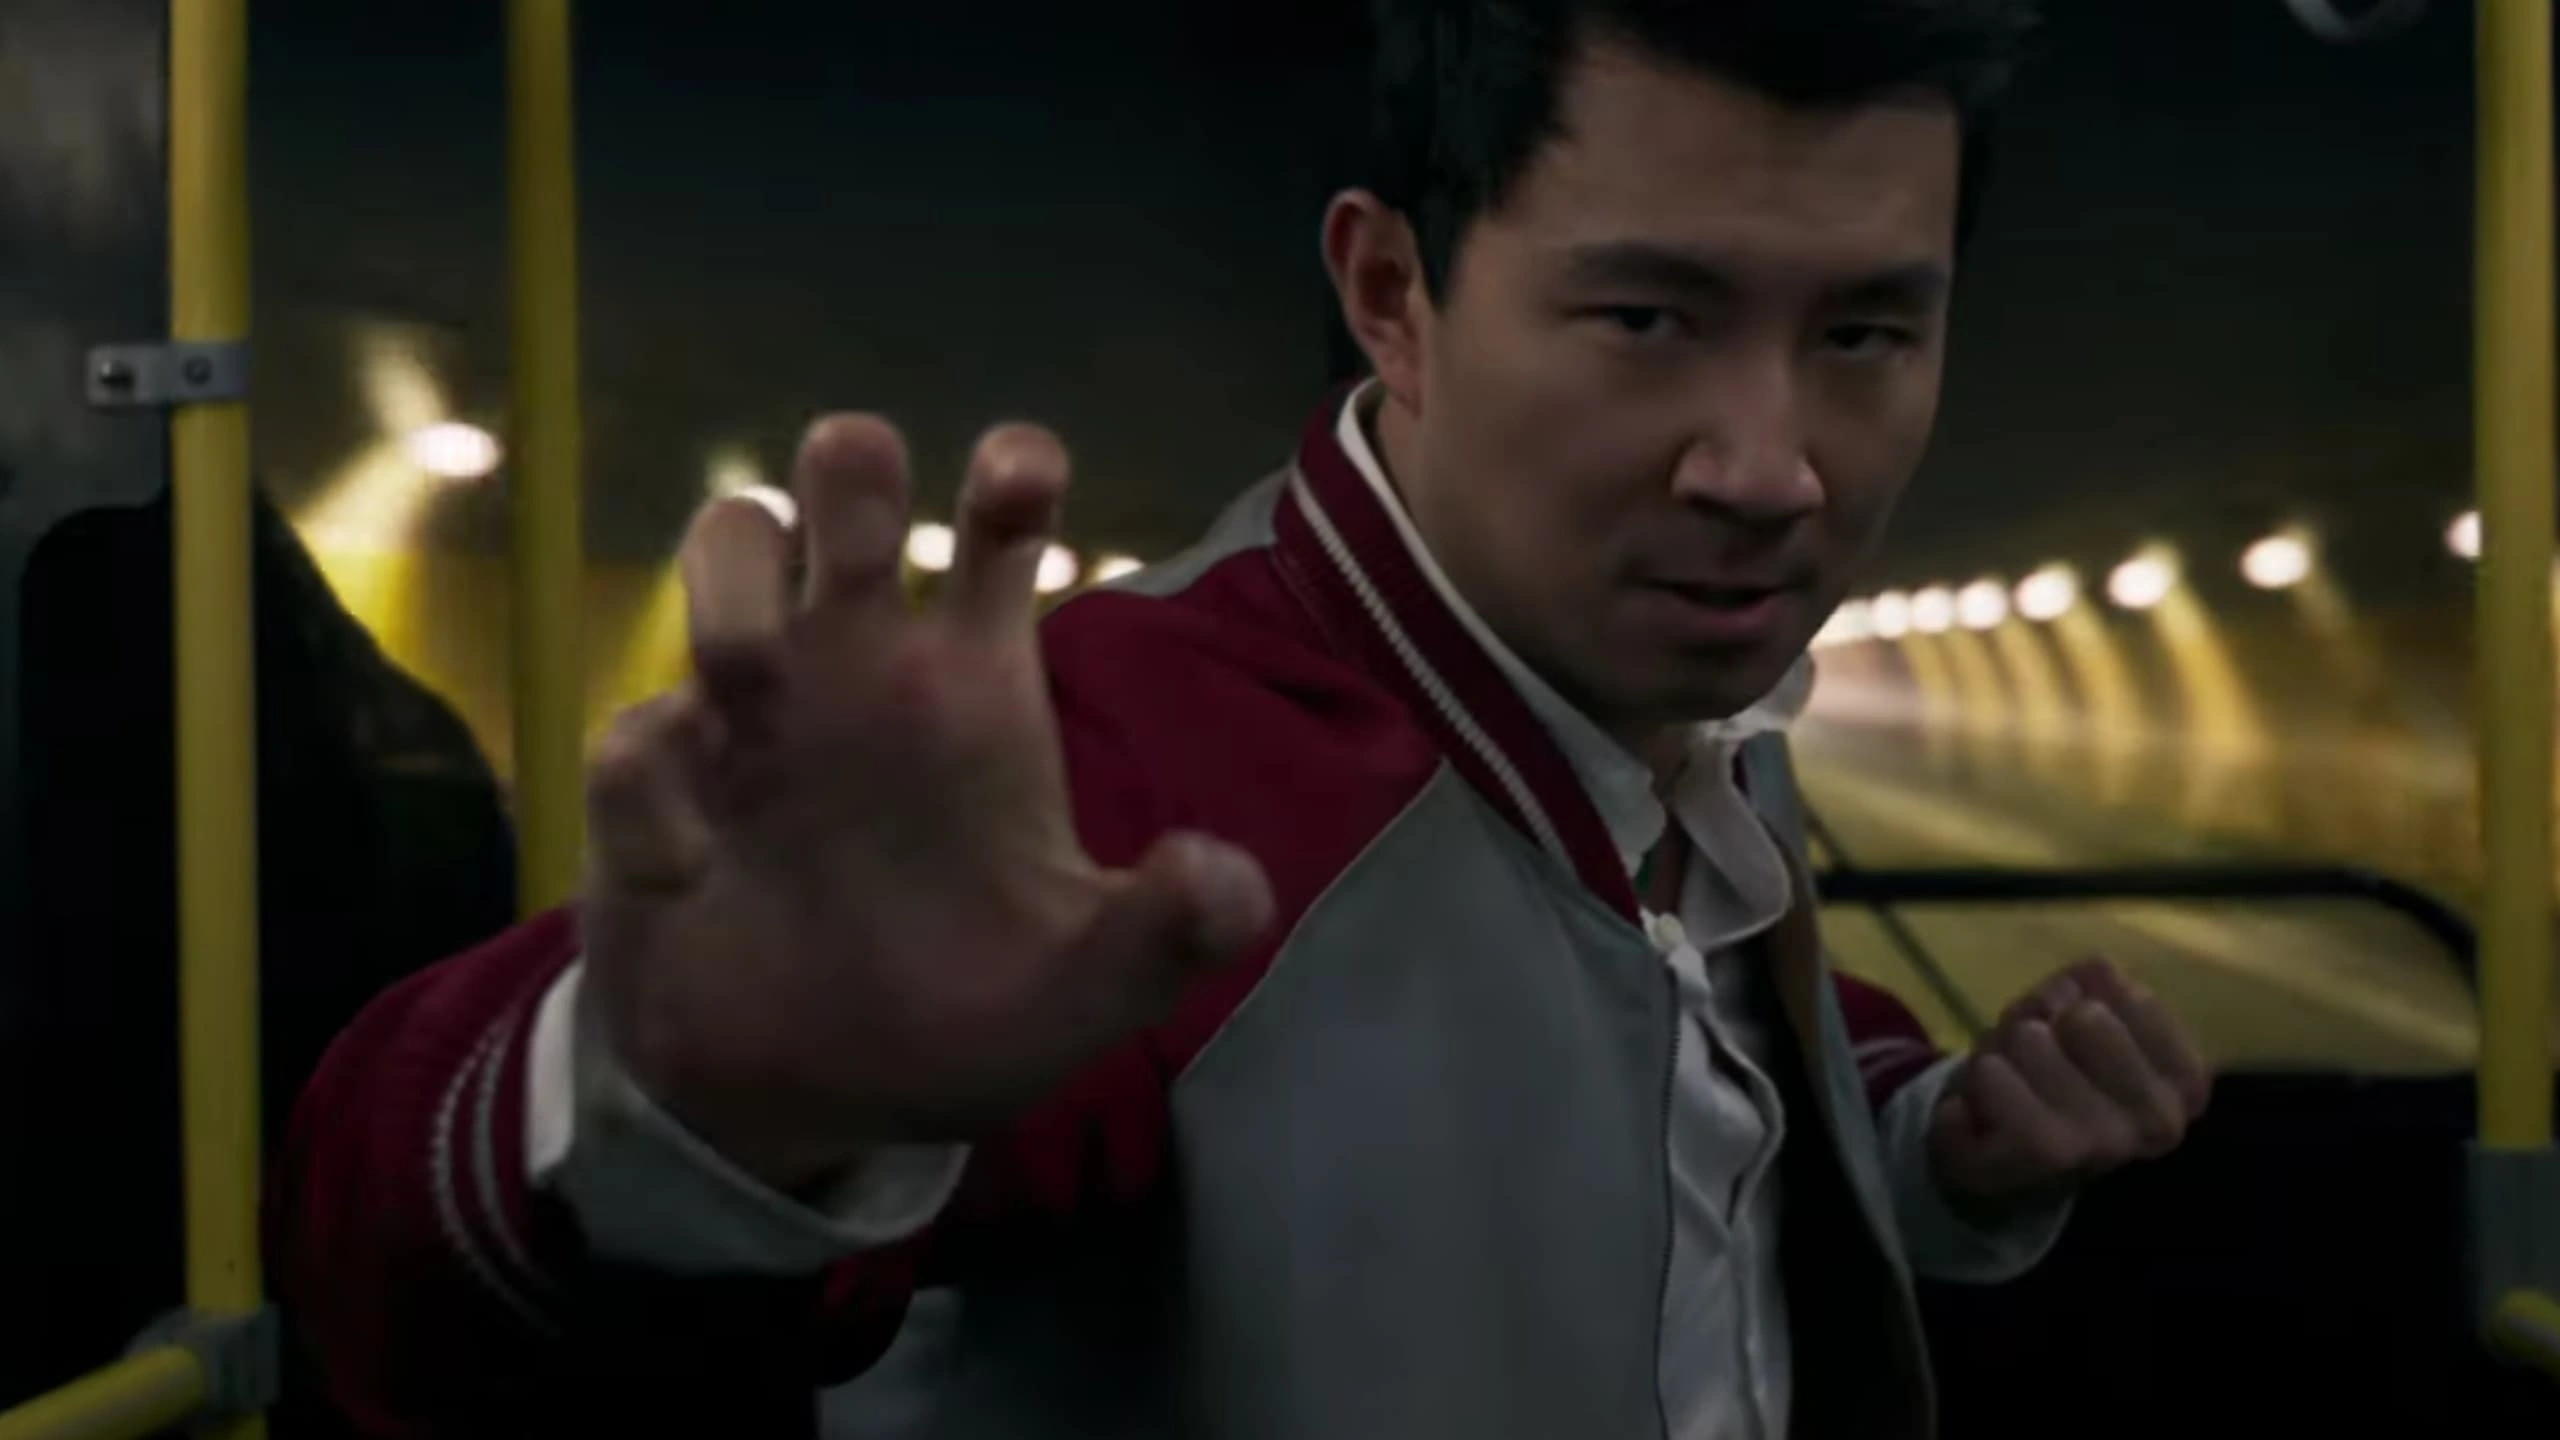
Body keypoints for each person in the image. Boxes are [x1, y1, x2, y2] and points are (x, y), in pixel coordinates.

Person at [274, 1, 2212, 1435]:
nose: (1769, 469)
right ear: (1391, 296)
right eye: (1646, 321)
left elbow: (1651, 1040)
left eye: (1863, 333)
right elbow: (387, 1256)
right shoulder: (1140, 786)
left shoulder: (1641, 700)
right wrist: (698, 1111)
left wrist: (1926, 1139)